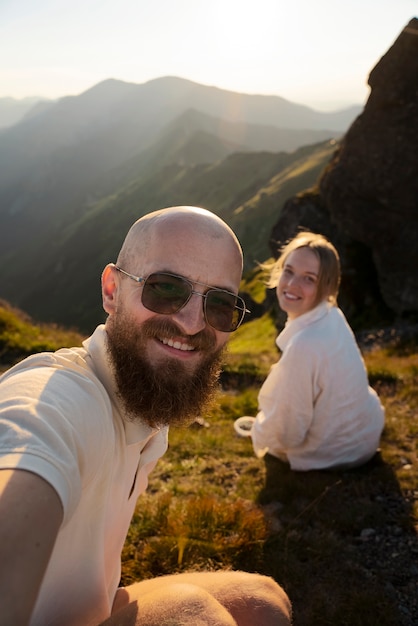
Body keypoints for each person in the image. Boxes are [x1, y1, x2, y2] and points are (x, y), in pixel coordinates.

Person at [0, 206, 292, 626]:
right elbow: (28, 441)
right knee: (193, 615)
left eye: (221, 304)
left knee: (262, 601)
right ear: (112, 291)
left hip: (87, 607)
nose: (192, 324)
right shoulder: (59, 398)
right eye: (167, 288)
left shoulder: (143, 403)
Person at [250, 231, 385, 471]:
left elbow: (288, 432)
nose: (291, 284)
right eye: (288, 271)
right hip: (363, 440)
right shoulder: (332, 314)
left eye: (309, 278)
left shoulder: (304, 345)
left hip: (331, 455)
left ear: (326, 286)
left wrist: (259, 433)